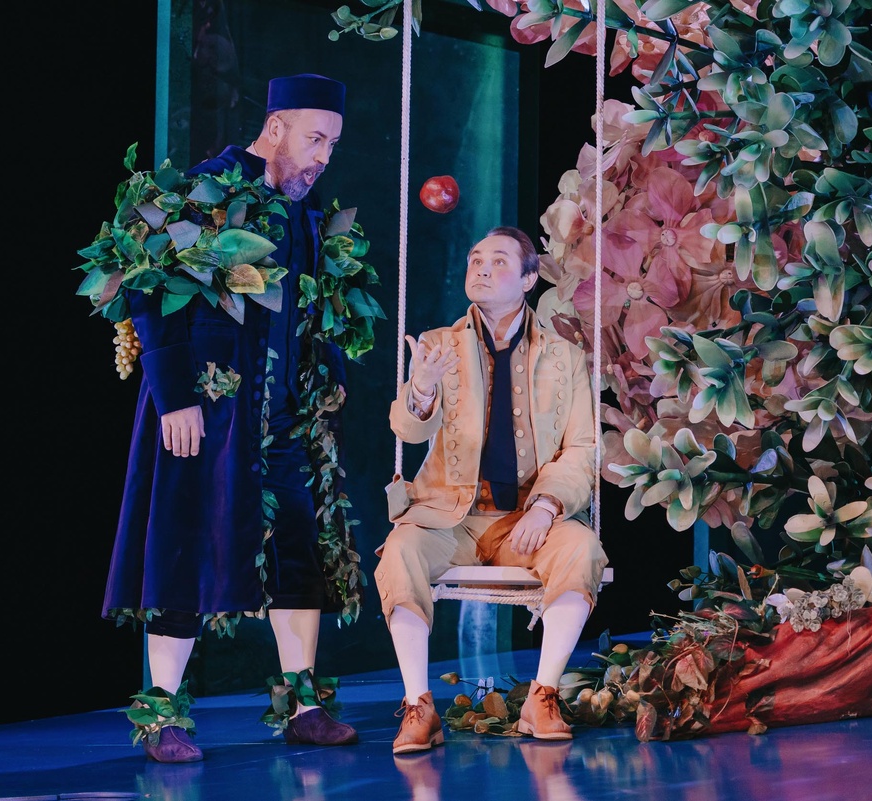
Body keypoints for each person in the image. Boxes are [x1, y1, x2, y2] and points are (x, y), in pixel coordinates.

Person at [102, 74, 359, 763]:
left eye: (331, 145)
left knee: (298, 548)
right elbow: (148, 289)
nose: (323, 157)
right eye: (314, 139)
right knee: (183, 543)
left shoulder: (304, 211)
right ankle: (163, 714)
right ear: (275, 127)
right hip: (207, 407)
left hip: (284, 415)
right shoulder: (206, 190)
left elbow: (311, 305)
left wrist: (326, 378)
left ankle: (303, 703)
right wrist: (173, 394)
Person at [375, 226, 609, 754]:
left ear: (528, 279)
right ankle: (418, 705)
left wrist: (545, 508)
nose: (480, 267)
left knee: (582, 548)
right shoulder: (438, 344)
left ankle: (542, 697)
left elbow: (581, 449)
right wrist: (422, 387)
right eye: (475, 258)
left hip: (526, 520)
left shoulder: (565, 357)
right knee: (400, 550)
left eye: (498, 260)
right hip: (449, 518)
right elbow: (407, 431)